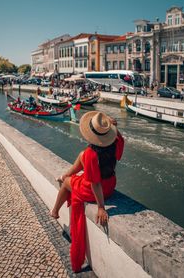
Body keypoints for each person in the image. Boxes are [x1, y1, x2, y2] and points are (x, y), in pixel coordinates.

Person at [50, 111, 124, 272]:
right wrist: (115, 129)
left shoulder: (92, 154)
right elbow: (120, 141)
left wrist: (101, 207)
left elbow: (95, 183)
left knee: (66, 183)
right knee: (81, 156)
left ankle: (55, 210)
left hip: (95, 191)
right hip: (110, 185)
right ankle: (65, 175)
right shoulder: (116, 143)